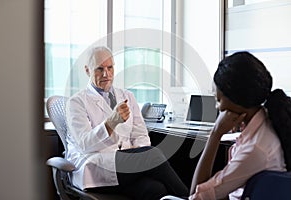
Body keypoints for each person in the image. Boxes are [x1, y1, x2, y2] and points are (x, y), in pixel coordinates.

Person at [65, 46, 188, 200]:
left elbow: (141, 134)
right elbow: (85, 144)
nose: (106, 74)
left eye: (110, 68)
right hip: (95, 167)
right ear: (87, 70)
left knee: (156, 189)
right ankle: (191, 197)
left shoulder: (127, 96)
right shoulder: (76, 103)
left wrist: (138, 160)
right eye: (99, 69)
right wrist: (110, 123)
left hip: (125, 167)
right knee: (153, 154)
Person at [188, 51, 291, 199]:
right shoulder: (271, 122)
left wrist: (215, 134)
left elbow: (195, 196)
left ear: (236, 98)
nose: (219, 108)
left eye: (219, 100)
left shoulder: (255, 149)